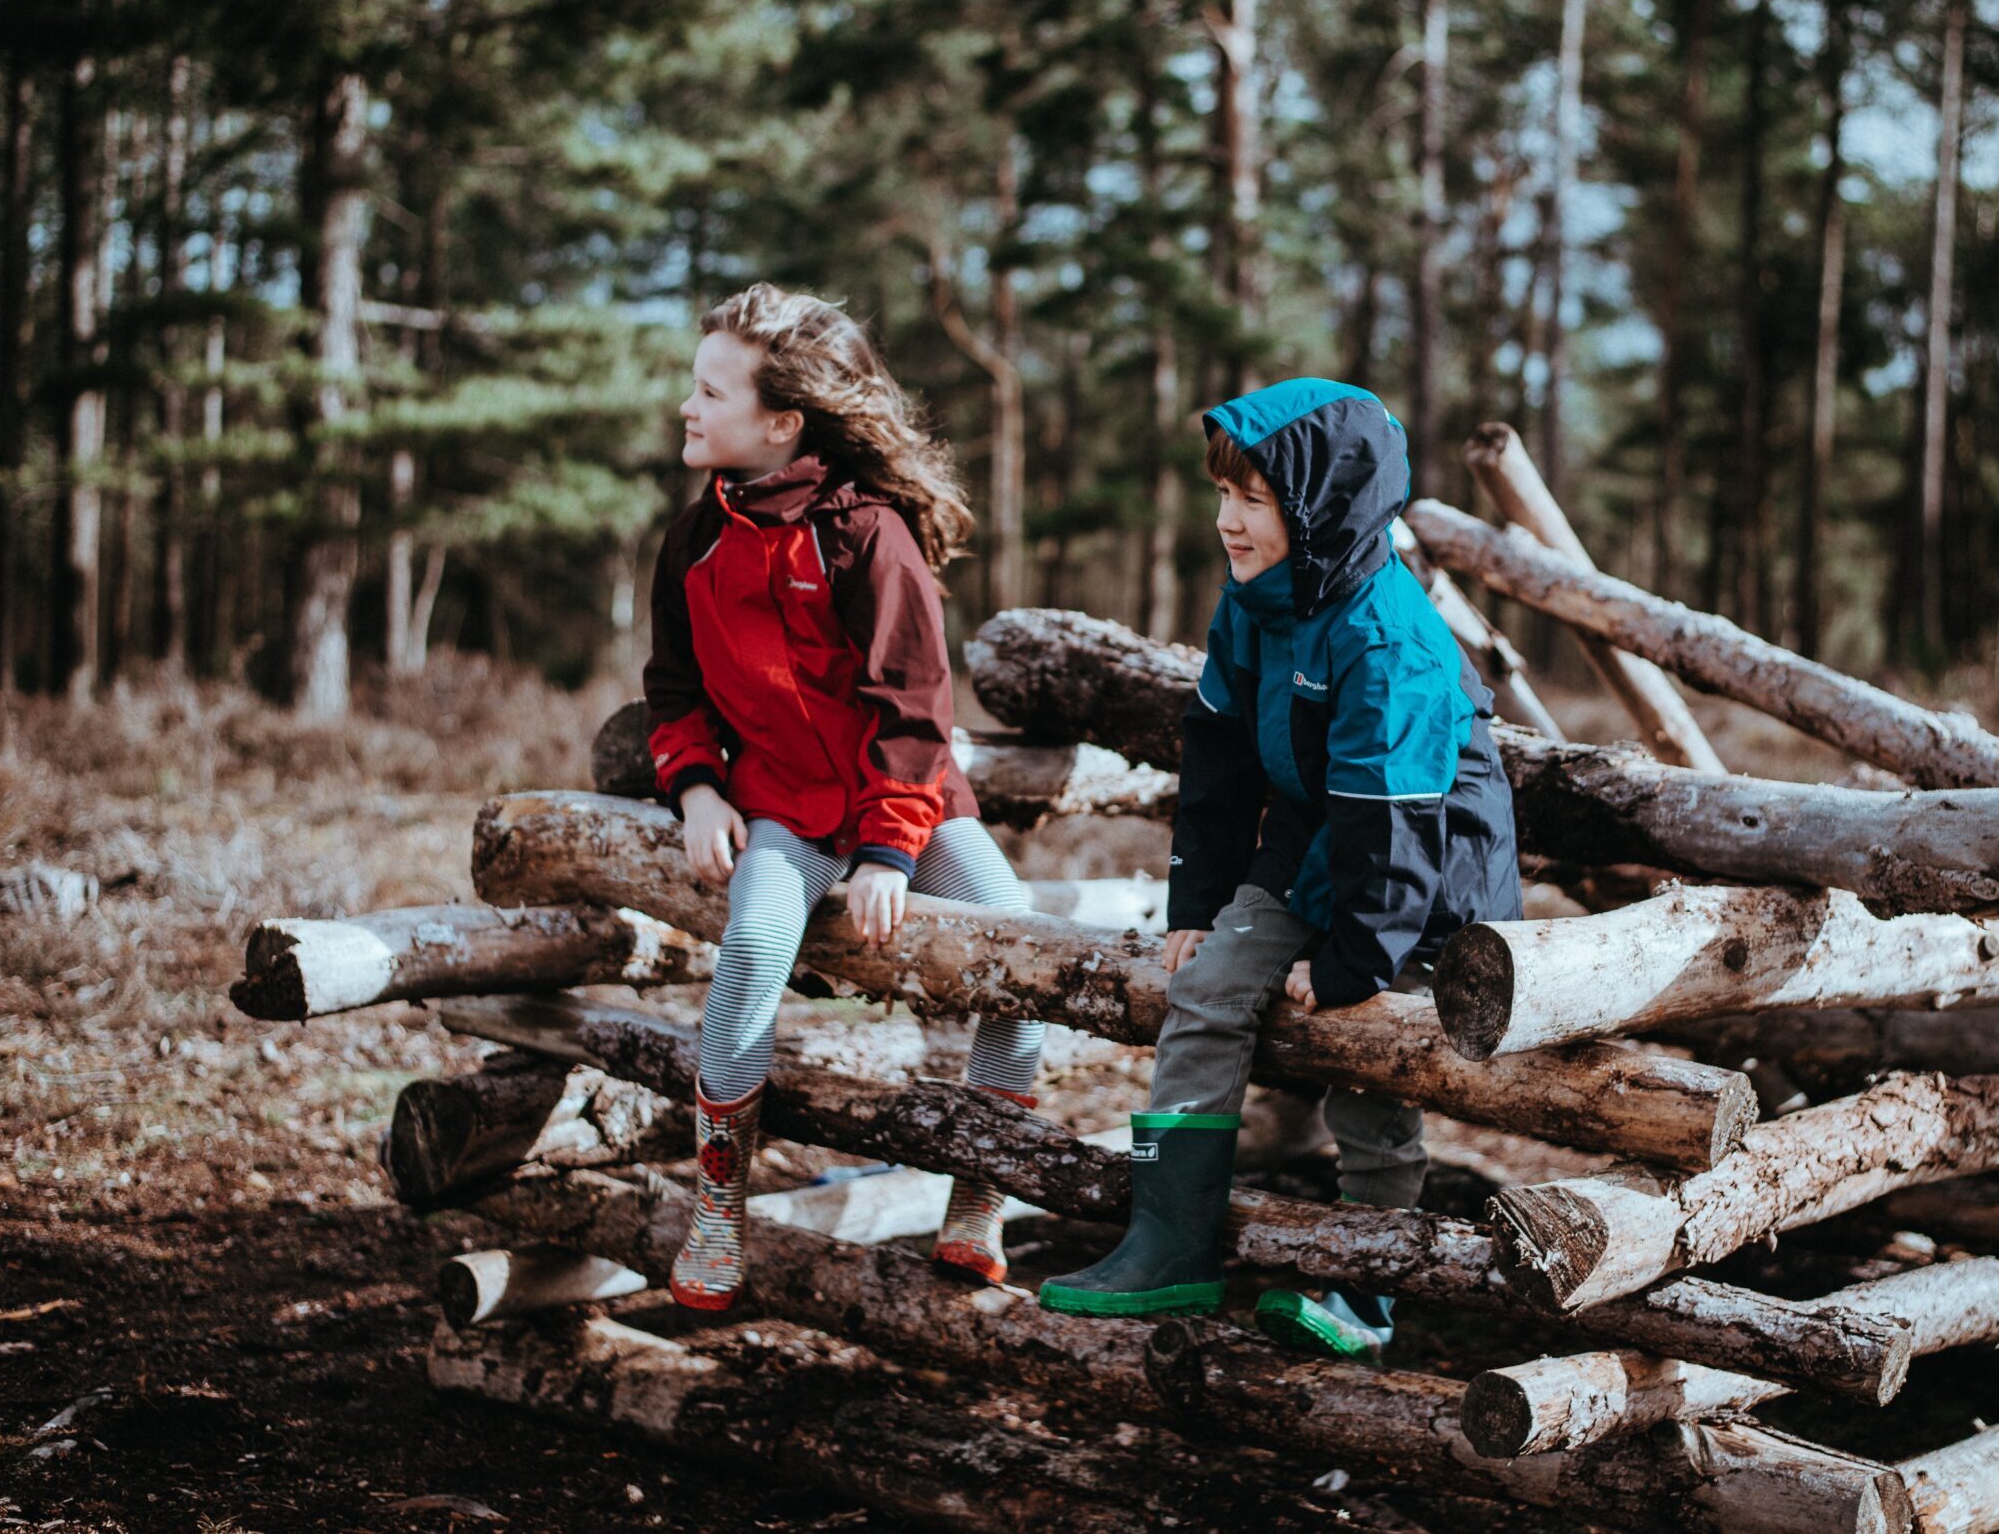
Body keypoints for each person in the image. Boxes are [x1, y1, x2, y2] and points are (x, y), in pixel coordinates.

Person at [1037, 378, 1521, 1358]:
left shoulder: (1387, 642)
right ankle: (1166, 1245)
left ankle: (1368, 1292)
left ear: (1320, 504)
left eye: (1252, 499)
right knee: (1205, 985)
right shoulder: (1255, 605)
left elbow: (1393, 831)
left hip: (1429, 887)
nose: (1226, 521)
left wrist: (1350, 962)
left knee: (1370, 1063)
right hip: (1312, 851)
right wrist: (1198, 902)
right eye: (1221, 495)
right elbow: (1214, 754)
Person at [645, 283, 1043, 1311]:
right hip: (781, 806)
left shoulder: (868, 535)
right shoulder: (692, 542)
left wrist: (889, 853)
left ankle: (980, 1196)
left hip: (910, 802)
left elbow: (912, 711)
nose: (685, 406)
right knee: (754, 945)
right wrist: (694, 790)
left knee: (1018, 937)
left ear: (782, 422)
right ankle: (719, 1208)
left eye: (708, 390)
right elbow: (675, 691)